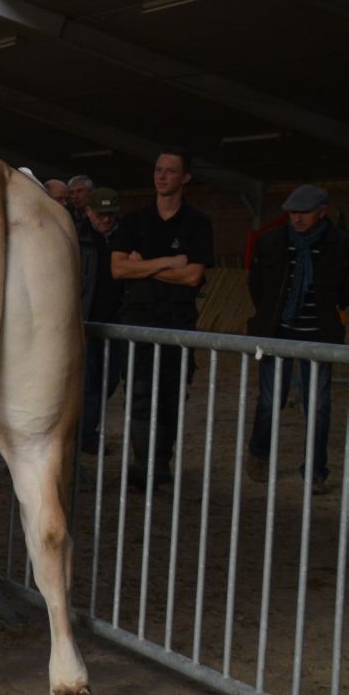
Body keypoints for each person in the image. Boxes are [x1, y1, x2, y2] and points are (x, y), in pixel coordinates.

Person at [110, 148, 216, 486]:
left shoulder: (198, 223)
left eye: (170, 171)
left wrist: (142, 266)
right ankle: (145, 469)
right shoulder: (134, 220)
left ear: (185, 178)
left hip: (178, 322)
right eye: (158, 169)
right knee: (140, 395)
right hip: (139, 320)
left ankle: (160, 463)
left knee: (171, 399)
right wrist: (167, 263)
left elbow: (193, 277)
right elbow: (117, 268)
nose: (162, 176)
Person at [245, 185, 348, 493]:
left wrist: (334, 312)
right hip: (276, 333)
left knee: (318, 406)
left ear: (322, 211)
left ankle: (315, 470)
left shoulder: (341, 245)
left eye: (304, 213)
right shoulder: (272, 241)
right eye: (292, 213)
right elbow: (257, 284)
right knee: (269, 400)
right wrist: (268, 315)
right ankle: (259, 453)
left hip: (320, 337)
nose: (297, 219)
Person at [78, 187, 124, 452]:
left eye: (110, 214)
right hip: (87, 321)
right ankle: (83, 435)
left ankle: (85, 431)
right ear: (88, 212)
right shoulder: (78, 238)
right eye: (100, 214)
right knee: (89, 383)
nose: (106, 220)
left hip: (115, 322)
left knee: (108, 381)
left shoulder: (125, 236)